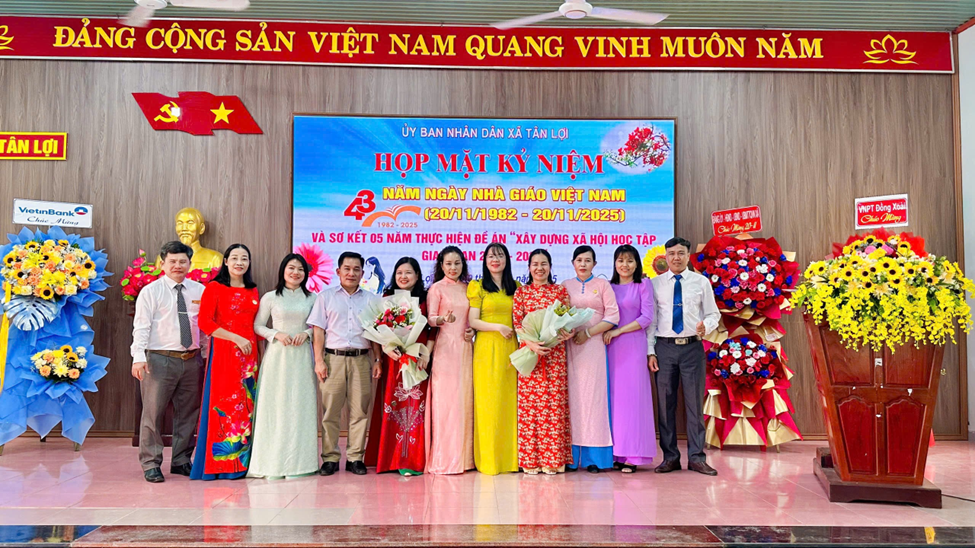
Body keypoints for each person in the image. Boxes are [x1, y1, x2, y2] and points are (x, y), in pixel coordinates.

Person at [131, 241, 205, 483]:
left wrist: (204, 355)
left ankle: (181, 460)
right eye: (172, 261)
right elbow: (141, 327)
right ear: (162, 263)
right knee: (153, 413)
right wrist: (138, 358)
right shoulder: (151, 291)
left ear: (190, 264)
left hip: (191, 359)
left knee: (188, 413)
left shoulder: (199, 290)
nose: (177, 265)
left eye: (183, 261)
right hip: (159, 359)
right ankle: (151, 463)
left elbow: (204, 328)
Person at [647, 237, 721, 476]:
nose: (676, 258)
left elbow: (713, 314)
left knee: (694, 405)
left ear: (688, 256)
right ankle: (670, 458)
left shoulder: (701, 282)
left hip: (692, 348)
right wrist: (650, 351)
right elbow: (652, 322)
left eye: (680, 253)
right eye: (671, 253)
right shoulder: (655, 284)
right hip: (664, 348)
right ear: (665, 257)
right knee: (665, 405)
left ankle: (697, 458)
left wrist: (706, 326)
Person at [190, 243, 260, 480]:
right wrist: (236, 338)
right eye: (235, 258)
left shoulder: (253, 290)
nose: (240, 262)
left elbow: (255, 325)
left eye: (245, 258)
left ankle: (243, 464)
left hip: (250, 358)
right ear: (226, 261)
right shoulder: (215, 287)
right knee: (225, 405)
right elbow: (205, 322)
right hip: (224, 354)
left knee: (246, 407)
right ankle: (221, 467)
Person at [308, 251, 381, 476]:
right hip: (333, 359)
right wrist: (318, 361)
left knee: (360, 410)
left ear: (362, 273)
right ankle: (329, 458)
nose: (351, 273)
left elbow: (376, 333)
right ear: (338, 271)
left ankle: (355, 458)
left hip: (361, 359)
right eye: (347, 269)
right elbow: (318, 332)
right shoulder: (325, 297)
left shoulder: (371, 300)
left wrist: (377, 359)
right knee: (330, 411)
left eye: (356, 269)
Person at [247, 254, 319, 479]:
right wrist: (275, 334)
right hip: (278, 356)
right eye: (291, 268)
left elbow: (319, 326)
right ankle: (272, 464)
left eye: (300, 269)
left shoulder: (313, 298)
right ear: (283, 270)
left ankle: (300, 465)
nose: (296, 272)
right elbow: (257, 325)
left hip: (302, 357)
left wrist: (306, 334)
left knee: (300, 405)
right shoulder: (271, 297)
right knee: (276, 405)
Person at [364, 257, 434, 475]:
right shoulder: (386, 298)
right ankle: (389, 459)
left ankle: (411, 460)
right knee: (393, 407)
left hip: (417, 360)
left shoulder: (426, 299)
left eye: (408, 273)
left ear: (417, 276)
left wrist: (426, 354)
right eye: (399, 273)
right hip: (393, 361)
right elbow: (376, 333)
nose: (403, 277)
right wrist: (384, 350)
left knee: (415, 409)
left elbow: (433, 330)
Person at [513, 249, 574, 475]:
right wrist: (531, 344)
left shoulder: (560, 291)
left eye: (544, 264)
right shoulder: (522, 293)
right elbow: (517, 324)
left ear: (550, 266)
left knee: (553, 407)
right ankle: (531, 460)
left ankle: (553, 460)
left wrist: (567, 333)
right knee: (530, 410)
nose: (539, 268)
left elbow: (568, 320)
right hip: (530, 356)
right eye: (535, 264)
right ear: (529, 267)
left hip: (554, 355)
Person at [562, 246, 619, 473]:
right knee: (572, 399)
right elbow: (558, 314)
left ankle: (594, 458)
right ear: (573, 263)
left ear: (595, 264)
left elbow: (613, 315)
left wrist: (588, 332)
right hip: (570, 348)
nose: (583, 264)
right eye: (579, 260)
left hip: (594, 347)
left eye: (588, 260)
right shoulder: (565, 286)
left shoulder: (602, 285)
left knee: (594, 400)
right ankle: (570, 457)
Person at [467, 243, 520, 475]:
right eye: (491, 256)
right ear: (485, 260)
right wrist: (498, 327)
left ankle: (510, 460)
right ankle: (489, 460)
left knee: (509, 404)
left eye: (499, 255)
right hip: (487, 349)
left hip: (511, 348)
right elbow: (473, 321)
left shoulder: (516, 287)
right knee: (488, 403)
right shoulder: (478, 286)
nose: (495, 260)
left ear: (507, 259)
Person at [604, 244, 657, 472]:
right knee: (615, 402)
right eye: (620, 260)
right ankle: (617, 453)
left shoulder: (643, 284)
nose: (624, 265)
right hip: (610, 348)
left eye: (629, 260)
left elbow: (647, 317)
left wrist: (619, 331)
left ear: (637, 264)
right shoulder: (608, 287)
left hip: (633, 346)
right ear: (614, 263)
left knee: (633, 401)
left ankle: (634, 455)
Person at [425, 246, 475, 475]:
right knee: (446, 404)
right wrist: (442, 319)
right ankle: (445, 458)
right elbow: (430, 319)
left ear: (462, 264)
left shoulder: (469, 288)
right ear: (441, 265)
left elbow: (473, 319)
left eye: (457, 263)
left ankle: (466, 459)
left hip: (466, 349)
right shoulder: (437, 288)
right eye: (448, 264)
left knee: (465, 401)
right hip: (445, 350)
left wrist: (472, 330)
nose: (453, 268)